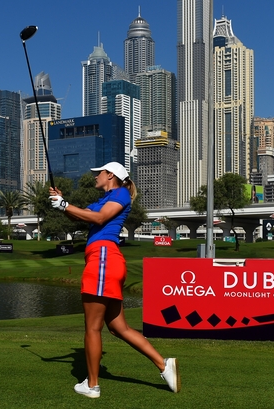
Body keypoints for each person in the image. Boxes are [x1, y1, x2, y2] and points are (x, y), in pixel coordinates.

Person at [49, 162, 180, 399]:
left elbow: (99, 219)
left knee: (92, 327)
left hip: (102, 260)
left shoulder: (120, 193)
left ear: (110, 175)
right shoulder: (105, 199)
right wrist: (62, 203)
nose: (95, 177)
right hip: (106, 262)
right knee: (119, 328)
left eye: (98, 173)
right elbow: (85, 215)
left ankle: (92, 385)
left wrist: (65, 204)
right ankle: (164, 365)